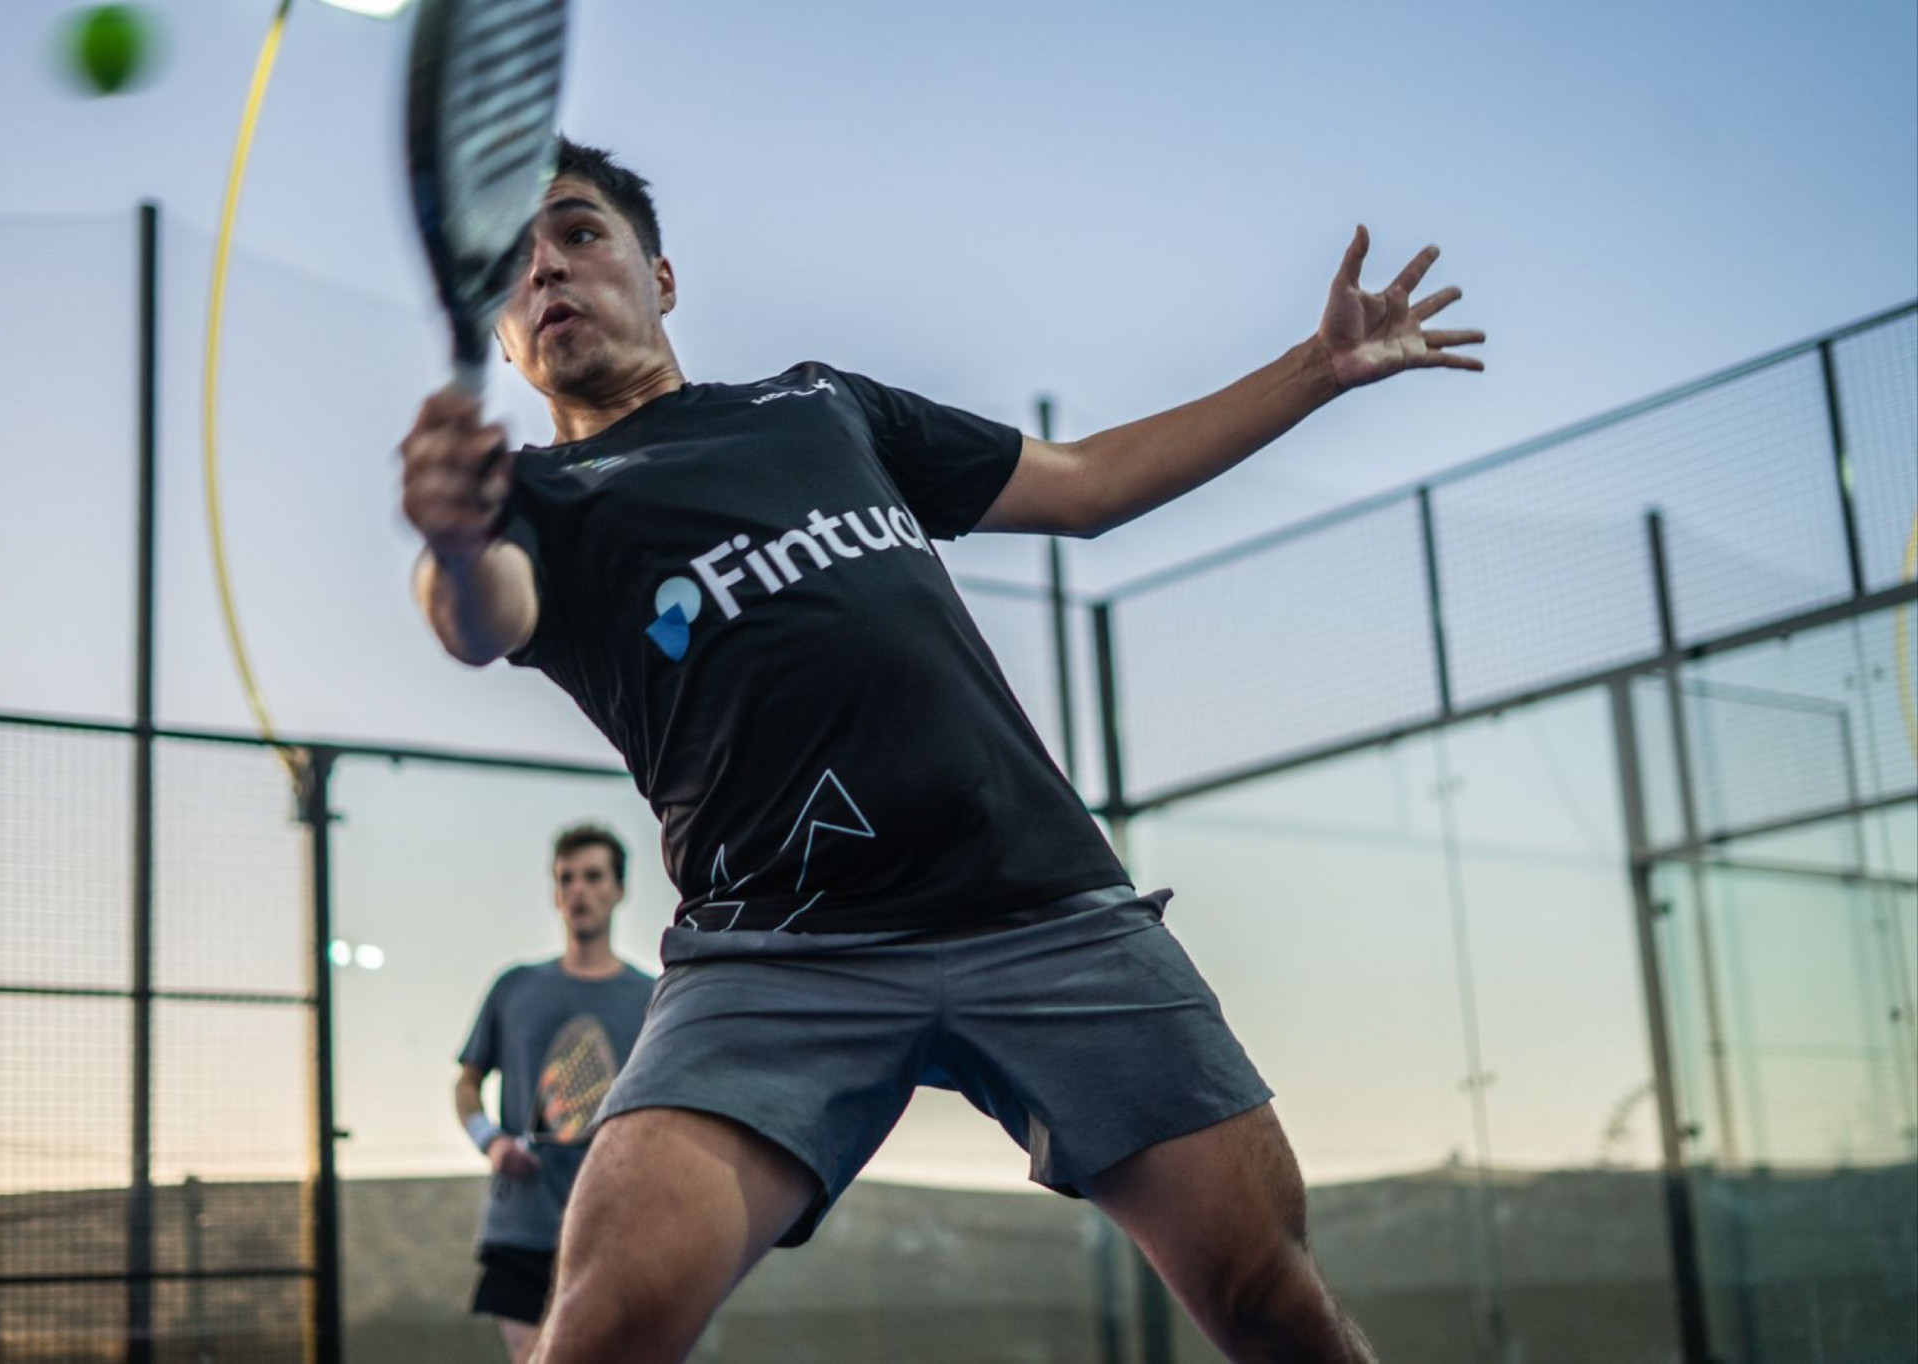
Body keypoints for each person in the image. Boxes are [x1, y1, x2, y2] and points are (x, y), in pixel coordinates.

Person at [400, 138, 1483, 1364]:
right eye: (512, 265)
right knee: (603, 1323)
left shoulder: (820, 405)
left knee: (1267, 1296)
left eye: (578, 232)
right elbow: (478, 615)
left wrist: (1316, 368)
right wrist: (449, 544)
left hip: (1046, 909)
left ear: (660, 275)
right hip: (775, 953)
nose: (546, 269)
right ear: (502, 340)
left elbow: (1084, 483)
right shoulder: (532, 502)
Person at [452, 823, 655, 1364]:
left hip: (612, 1228)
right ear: (554, 893)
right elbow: (467, 1083)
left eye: (593, 876)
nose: (578, 890)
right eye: (566, 878)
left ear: (619, 889)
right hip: (521, 1226)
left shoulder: (653, 999)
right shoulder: (514, 987)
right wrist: (492, 1141)